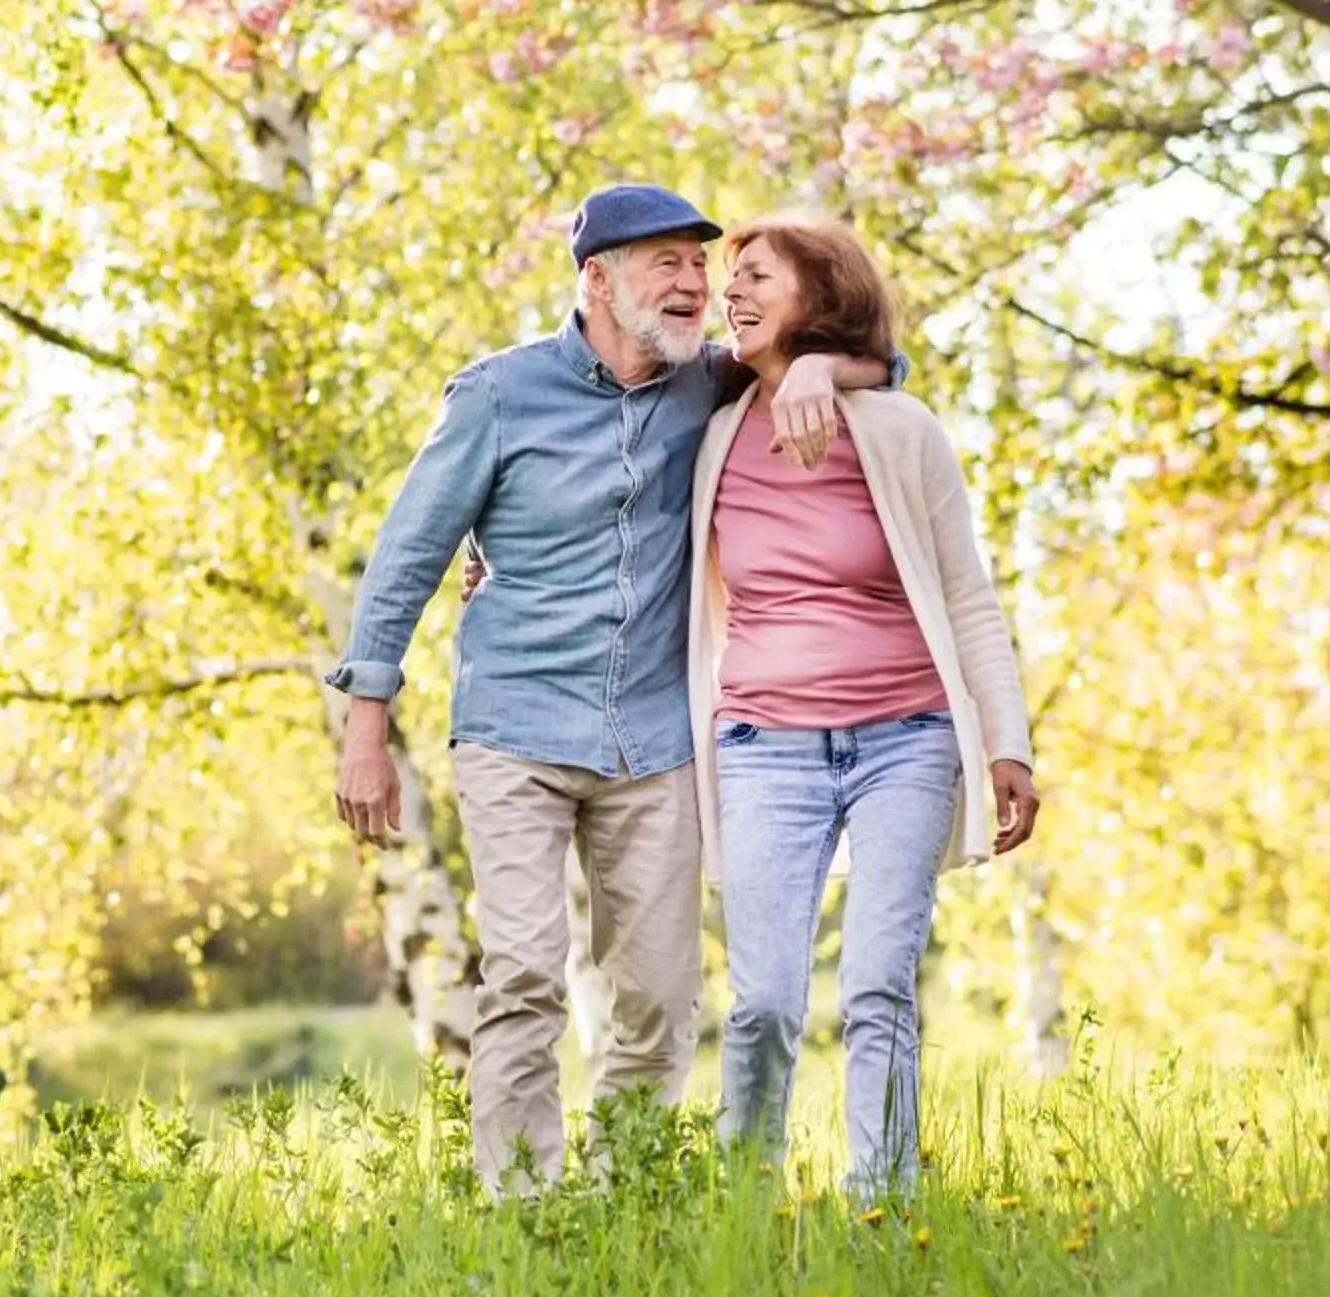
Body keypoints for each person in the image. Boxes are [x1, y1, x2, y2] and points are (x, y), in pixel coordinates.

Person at [329, 183, 899, 1195]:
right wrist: (364, 726)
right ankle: (525, 1217)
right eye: (667, 263)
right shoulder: (498, 395)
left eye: (700, 264)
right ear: (598, 278)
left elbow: (883, 366)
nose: (695, 284)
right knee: (523, 980)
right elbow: (407, 556)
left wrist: (816, 362)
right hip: (514, 728)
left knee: (659, 998)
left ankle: (619, 1203)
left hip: (655, 737)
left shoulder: (707, 385)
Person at [686, 211, 1038, 1201]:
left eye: (757, 275)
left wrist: (1006, 740)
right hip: (763, 746)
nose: (733, 292)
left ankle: (882, 1207)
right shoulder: (709, 431)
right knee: (761, 1002)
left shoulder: (900, 429)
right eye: (731, 280)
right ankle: (745, 1208)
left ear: (821, 293)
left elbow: (968, 592)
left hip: (906, 741)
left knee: (879, 985)